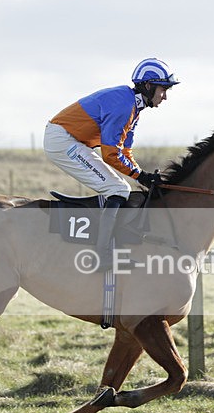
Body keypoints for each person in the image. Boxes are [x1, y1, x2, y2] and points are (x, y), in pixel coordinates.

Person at [44, 58, 180, 271]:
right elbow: (110, 154)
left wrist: (140, 173)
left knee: (119, 188)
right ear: (148, 85)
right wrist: (140, 176)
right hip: (62, 140)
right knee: (117, 188)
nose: (165, 97)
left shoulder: (134, 106)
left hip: (70, 139)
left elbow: (125, 151)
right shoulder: (124, 105)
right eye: (163, 89)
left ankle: (110, 245)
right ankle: (103, 255)